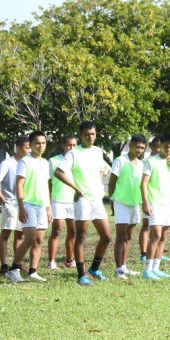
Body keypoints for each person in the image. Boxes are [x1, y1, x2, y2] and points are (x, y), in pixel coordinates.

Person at [54, 121, 112, 285]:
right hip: (82, 201)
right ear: (81, 135)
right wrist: (77, 189)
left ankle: (94, 269)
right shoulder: (73, 153)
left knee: (106, 237)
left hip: (96, 200)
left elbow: (100, 170)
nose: (91, 137)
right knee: (81, 237)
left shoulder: (98, 151)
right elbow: (59, 173)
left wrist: (100, 188)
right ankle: (81, 275)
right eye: (87, 134)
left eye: (93, 134)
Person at [6, 132, 53, 283]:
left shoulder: (45, 163)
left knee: (38, 240)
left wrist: (48, 207)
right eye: (37, 143)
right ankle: (13, 269)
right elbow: (19, 184)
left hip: (41, 205)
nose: (41, 146)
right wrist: (21, 206)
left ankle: (33, 271)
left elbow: (45, 186)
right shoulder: (25, 162)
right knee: (30, 238)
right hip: (27, 204)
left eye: (43, 143)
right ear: (31, 145)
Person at [140, 134, 170, 281]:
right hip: (155, 203)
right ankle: (147, 270)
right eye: (166, 147)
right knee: (155, 235)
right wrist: (145, 203)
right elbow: (144, 183)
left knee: (163, 236)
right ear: (160, 145)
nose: (169, 150)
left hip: (167, 204)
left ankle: (156, 269)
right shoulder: (151, 161)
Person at [108, 134, 147, 280]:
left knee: (129, 236)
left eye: (142, 148)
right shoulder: (120, 160)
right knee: (121, 236)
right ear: (130, 145)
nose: (139, 150)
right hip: (121, 203)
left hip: (134, 203)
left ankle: (124, 267)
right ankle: (119, 270)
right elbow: (112, 182)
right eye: (137, 147)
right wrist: (112, 200)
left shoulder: (141, 164)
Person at [0, 138, 29, 277]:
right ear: (18, 148)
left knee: (20, 235)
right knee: (6, 234)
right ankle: (4, 265)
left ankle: (16, 265)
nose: (29, 150)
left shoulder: (28, 163)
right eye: (26, 147)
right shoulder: (8, 163)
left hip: (23, 205)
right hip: (10, 204)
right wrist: (3, 200)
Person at [47, 134, 78, 271]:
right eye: (69, 145)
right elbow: (48, 183)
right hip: (58, 200)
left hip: (74, 201)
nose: (71, 148)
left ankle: (69, 260)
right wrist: (48, 201)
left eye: (74, 145)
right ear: (63, 146)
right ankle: (51, 261)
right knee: (57, 230)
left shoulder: (79, 160)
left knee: (73, 232)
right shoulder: (53, 161)